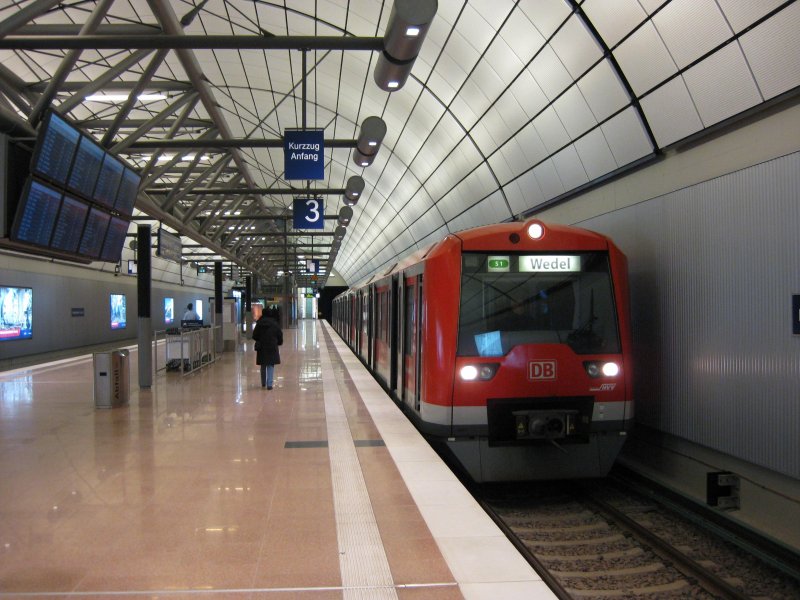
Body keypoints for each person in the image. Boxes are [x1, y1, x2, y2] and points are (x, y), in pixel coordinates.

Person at [252, 308, 282, 390]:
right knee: (270, 364)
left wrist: (260, 339)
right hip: (272, 346)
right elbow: (279, 335)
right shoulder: (275, 324)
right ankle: (269, 384)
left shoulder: (259, 323)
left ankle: (263, 383)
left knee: (263, 364)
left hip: (262, 346)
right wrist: (278, 342)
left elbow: (254, 335)